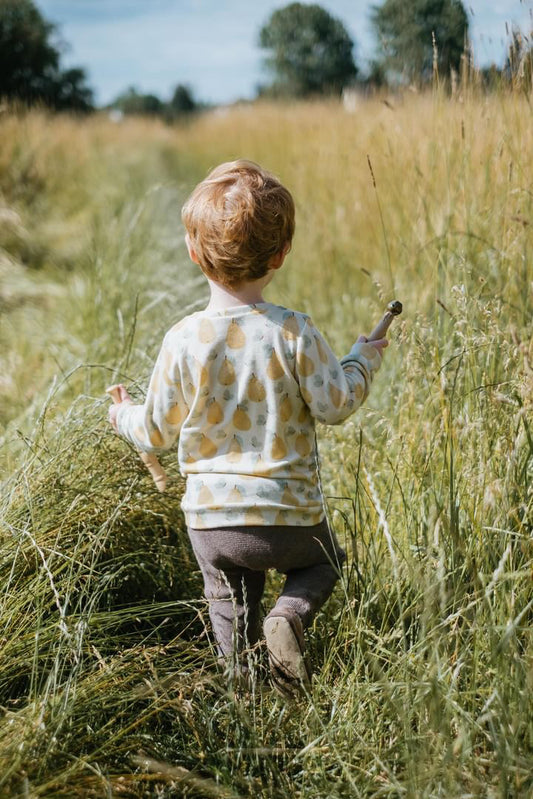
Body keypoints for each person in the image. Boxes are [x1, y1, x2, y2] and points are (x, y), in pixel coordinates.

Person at [108, 160, 387, 694]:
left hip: (214, 525)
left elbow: (155, 434)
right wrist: (361, 359)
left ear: (194, 254)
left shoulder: (183, 339)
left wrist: (122, 413)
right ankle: (290, 616)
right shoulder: (294, 331)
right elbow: (335, 403)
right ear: (281, 255)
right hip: (293, 517)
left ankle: (245, 698)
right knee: (326, 564)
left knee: (229, 605)